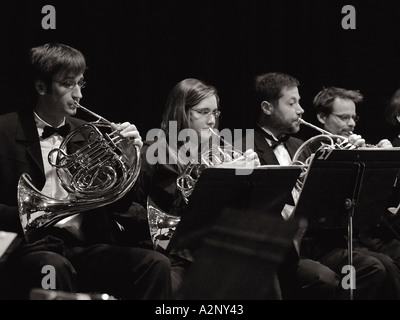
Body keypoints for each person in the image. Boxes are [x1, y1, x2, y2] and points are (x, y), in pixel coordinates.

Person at [0, 43, 172, 300]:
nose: (78, 94)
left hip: (84, 245)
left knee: (155, 264)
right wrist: (28, 217)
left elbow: (119, 202)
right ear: (41, 87)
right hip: (30, 247)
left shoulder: (90, 133)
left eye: (81, 83)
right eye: (68, 84)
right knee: (52, 267)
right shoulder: (4, 131)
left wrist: (127, 157)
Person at [249, 72, 387, 300]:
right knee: (324, 280)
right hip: (277, 250)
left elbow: (328, 200)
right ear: (267, 107)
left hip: (312, 243)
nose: (301, 110)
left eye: (300, 102)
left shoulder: (301, 145)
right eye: (291, 103)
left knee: (373, 269)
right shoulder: (246, 146)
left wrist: (352, 158)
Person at [134, 78, 261, 298]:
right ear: (181, 111)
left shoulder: (221, 151)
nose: (211, 120)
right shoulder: (154, 150)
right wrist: (215, 177)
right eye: (203, 112)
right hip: (172, 252)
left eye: (215, 113)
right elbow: (131, 202)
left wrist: (250, 177)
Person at [312, 86, 400, 299]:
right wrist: (346, 157)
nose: (351, 123)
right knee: (380, 266)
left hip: (360, 237)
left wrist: (383, 164)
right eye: (343, 117)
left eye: (353, 117)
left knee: (387, 263)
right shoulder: (312, 149)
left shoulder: (355, 146)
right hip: (325, 241)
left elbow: (383, 201)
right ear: (322, 117)